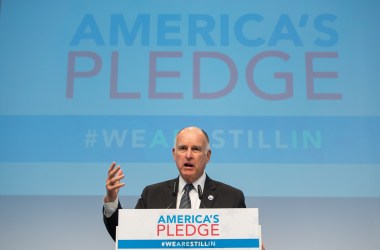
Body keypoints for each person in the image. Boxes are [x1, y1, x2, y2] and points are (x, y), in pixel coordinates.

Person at [103, 126, 264, 249]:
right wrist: (112, 200)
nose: (188, 155)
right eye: (182, 148)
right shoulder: (152, 194)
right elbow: (128, 237)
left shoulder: (231, 197)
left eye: (195, 149)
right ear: (174, 154)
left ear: (208, 156)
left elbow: (242, 242)